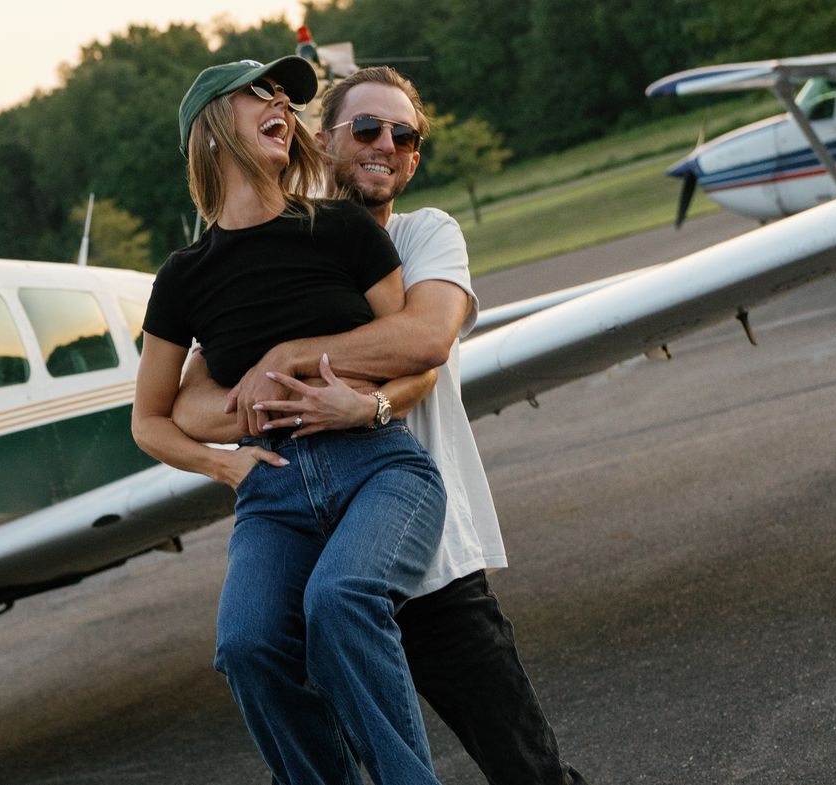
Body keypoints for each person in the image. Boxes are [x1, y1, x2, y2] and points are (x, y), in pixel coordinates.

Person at [172, 65, 588, 785]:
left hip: (432, 562)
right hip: (314, 559)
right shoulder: (280, 243)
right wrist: (263, 406)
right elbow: (194, 400)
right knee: (292, 720)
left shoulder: (427, 234)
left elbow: (424, 340)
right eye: (366, 128)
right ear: (323, 140)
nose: (387, 145)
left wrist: (322, 377)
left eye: (406, 136)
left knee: (529, 770)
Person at [131, 56, 449, 785]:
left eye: (286, 95)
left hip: (378, 466)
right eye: (258, 94)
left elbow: (415, 353)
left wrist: (358, 397)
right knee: (245, 646)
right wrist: (229, 465)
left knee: (338, 601)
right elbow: (151, 418)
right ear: (211, 131)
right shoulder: (185, 277)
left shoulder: (341, 230)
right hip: (270, 492)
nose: (281, 101)